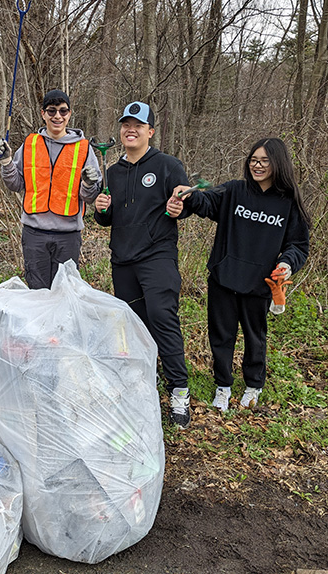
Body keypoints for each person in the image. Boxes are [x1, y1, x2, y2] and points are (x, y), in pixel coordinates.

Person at [166, 137, 311, 411]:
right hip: (224, 278)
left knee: (255, 338)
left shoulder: (288, 203)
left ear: (278, 164)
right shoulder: (235, 191)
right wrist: (191, 195)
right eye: (254, 160)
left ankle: (253, 386)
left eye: (264, 161)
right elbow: (207, 202)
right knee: (221, 336)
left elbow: (299, 245)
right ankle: (223, 387)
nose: (257, 165)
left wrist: (287, 264)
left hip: (259, 284)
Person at [93, 101, 193, 428]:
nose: (130, 130)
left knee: (163, 318)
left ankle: (179, 389)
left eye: (138, 125)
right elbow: (106, 220)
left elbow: (185, 204)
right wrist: (101, 208)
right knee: (134, 328)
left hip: (157, 256)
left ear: (150, 131)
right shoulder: (113, 172)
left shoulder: (167, 166)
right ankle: (142, 385)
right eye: (125, 124)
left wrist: (181, 206)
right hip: (123, 260)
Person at [0, 89, 102, 289]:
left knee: (65, 294)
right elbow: (15, 184)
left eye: (62, 111)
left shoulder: (84, 148)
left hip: (68, 235)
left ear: (69, 114)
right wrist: (7, 162)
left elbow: (89, 197)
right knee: (37, 295)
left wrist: (88, 184)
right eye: (51, 111)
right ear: (43, 114)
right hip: (34, 234)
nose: (57, 116)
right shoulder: (30, 144)